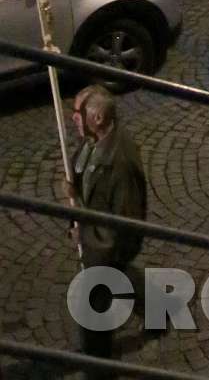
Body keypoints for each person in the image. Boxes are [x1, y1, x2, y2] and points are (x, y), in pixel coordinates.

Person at [70, 85, 147, 371]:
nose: (73, 117)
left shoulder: (121, 163)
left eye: (78, 112)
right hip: (100, 239)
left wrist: (86, 237)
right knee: (124, 277)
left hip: (106, 247)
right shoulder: (94, 141)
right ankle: (158, 305)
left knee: (95, 301)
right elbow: (83, 172)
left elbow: (121, 228)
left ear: (98, 117)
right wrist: (73, 186)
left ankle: (98, 363)